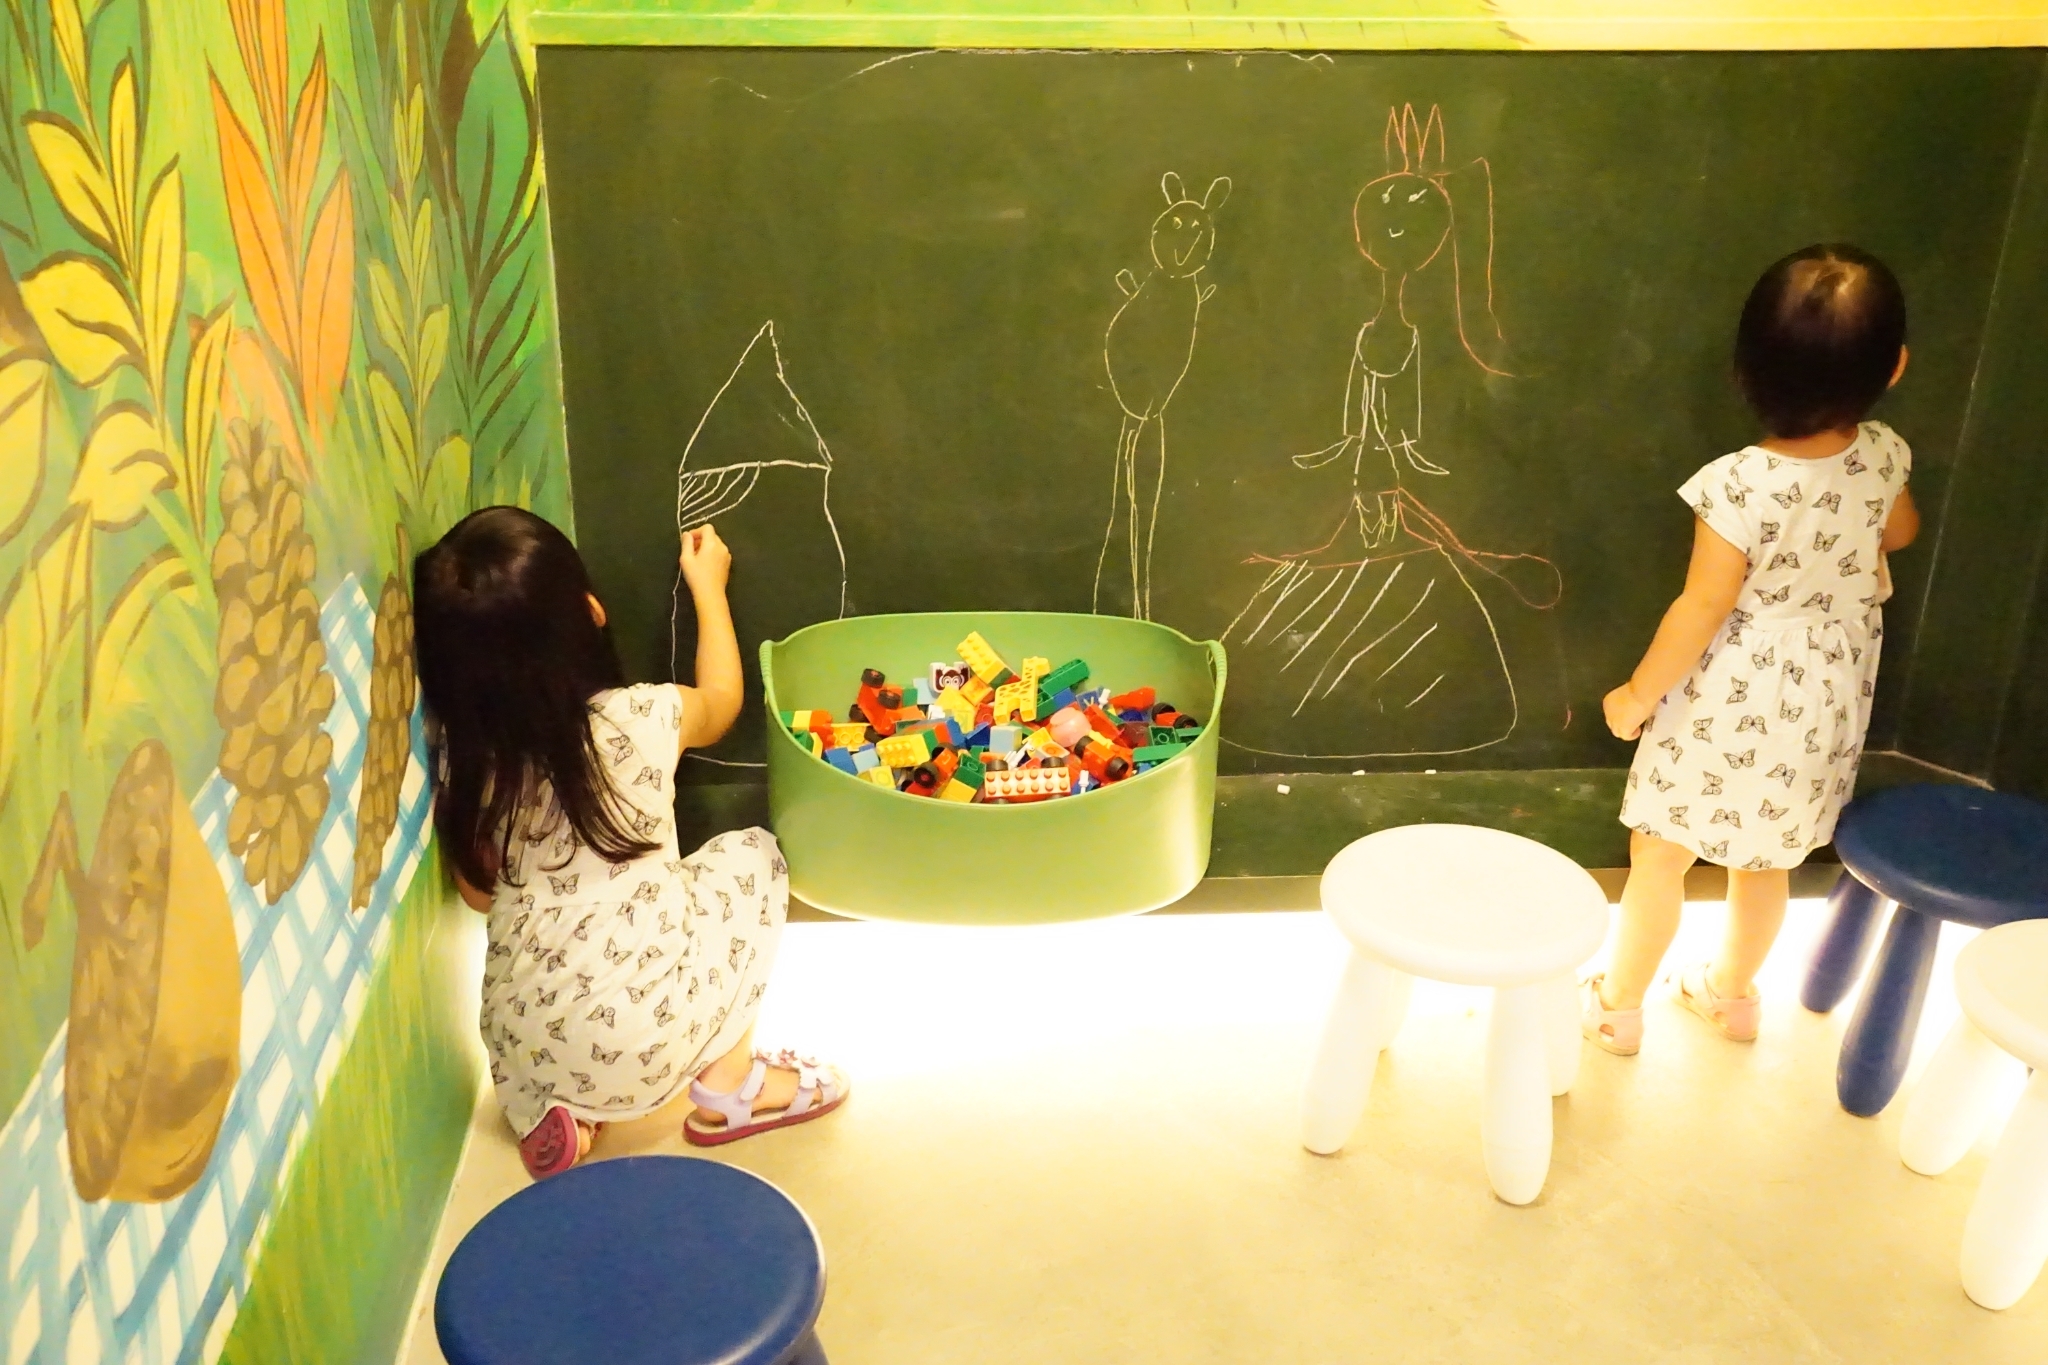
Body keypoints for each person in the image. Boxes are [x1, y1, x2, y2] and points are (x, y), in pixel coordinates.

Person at [413, 507, 846, 1177]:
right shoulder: (641, 716)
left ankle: (560, 1111)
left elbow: (479, 896)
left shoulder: (466, 761)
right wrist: (708, 586)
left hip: (520, 1038)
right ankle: (731, 1084)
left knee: (552, 1018)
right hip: (646, 1035)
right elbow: (721, 699)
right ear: (590, 612)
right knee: (753, 857)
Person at [1585, 244, 1921, 1055]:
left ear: (1746, 370)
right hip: (1821, 700)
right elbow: (1902, 531)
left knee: (1660, 853)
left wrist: (1636, 695)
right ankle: (1732, 996)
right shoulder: (1883, 453)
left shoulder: (1737, 484)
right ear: (1895, 366)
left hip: (1731, 697)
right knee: (1764, 861)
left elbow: (1702, 607)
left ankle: (1618, 1007)